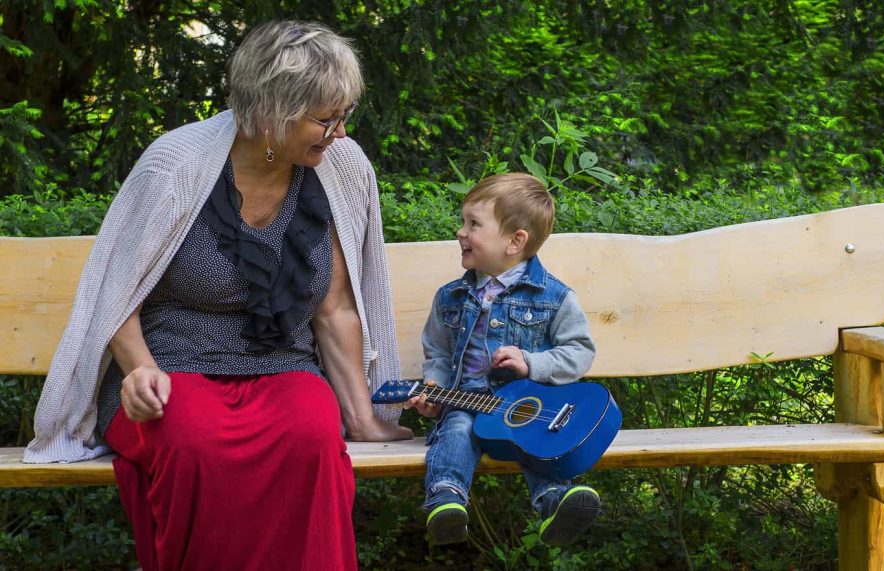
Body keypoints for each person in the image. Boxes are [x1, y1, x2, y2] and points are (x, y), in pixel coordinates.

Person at [23, 20, 411, 570]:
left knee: (311, 438)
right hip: (169, 369)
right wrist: (138, 372)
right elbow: (114, 295)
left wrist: (362, 416)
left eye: (344, 115)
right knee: (195, 441)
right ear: (272, 112)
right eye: (325, 119)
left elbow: (336, 306)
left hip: (284, 366)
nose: (341, 133)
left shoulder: (340, 168)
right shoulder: (176, 165)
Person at [405, 173, 601, 547]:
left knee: (533, 440)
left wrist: (531, 363)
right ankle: (446, 500)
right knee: (458, 427)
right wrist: (434, 389)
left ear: (515, 241)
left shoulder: (554, 297)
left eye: (474, 224)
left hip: (527, 407)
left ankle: (554, 503)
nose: (461, 232)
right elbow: (440, 353)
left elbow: (580, 352)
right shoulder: (450, 297)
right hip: (469, 400)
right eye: (463, 221)